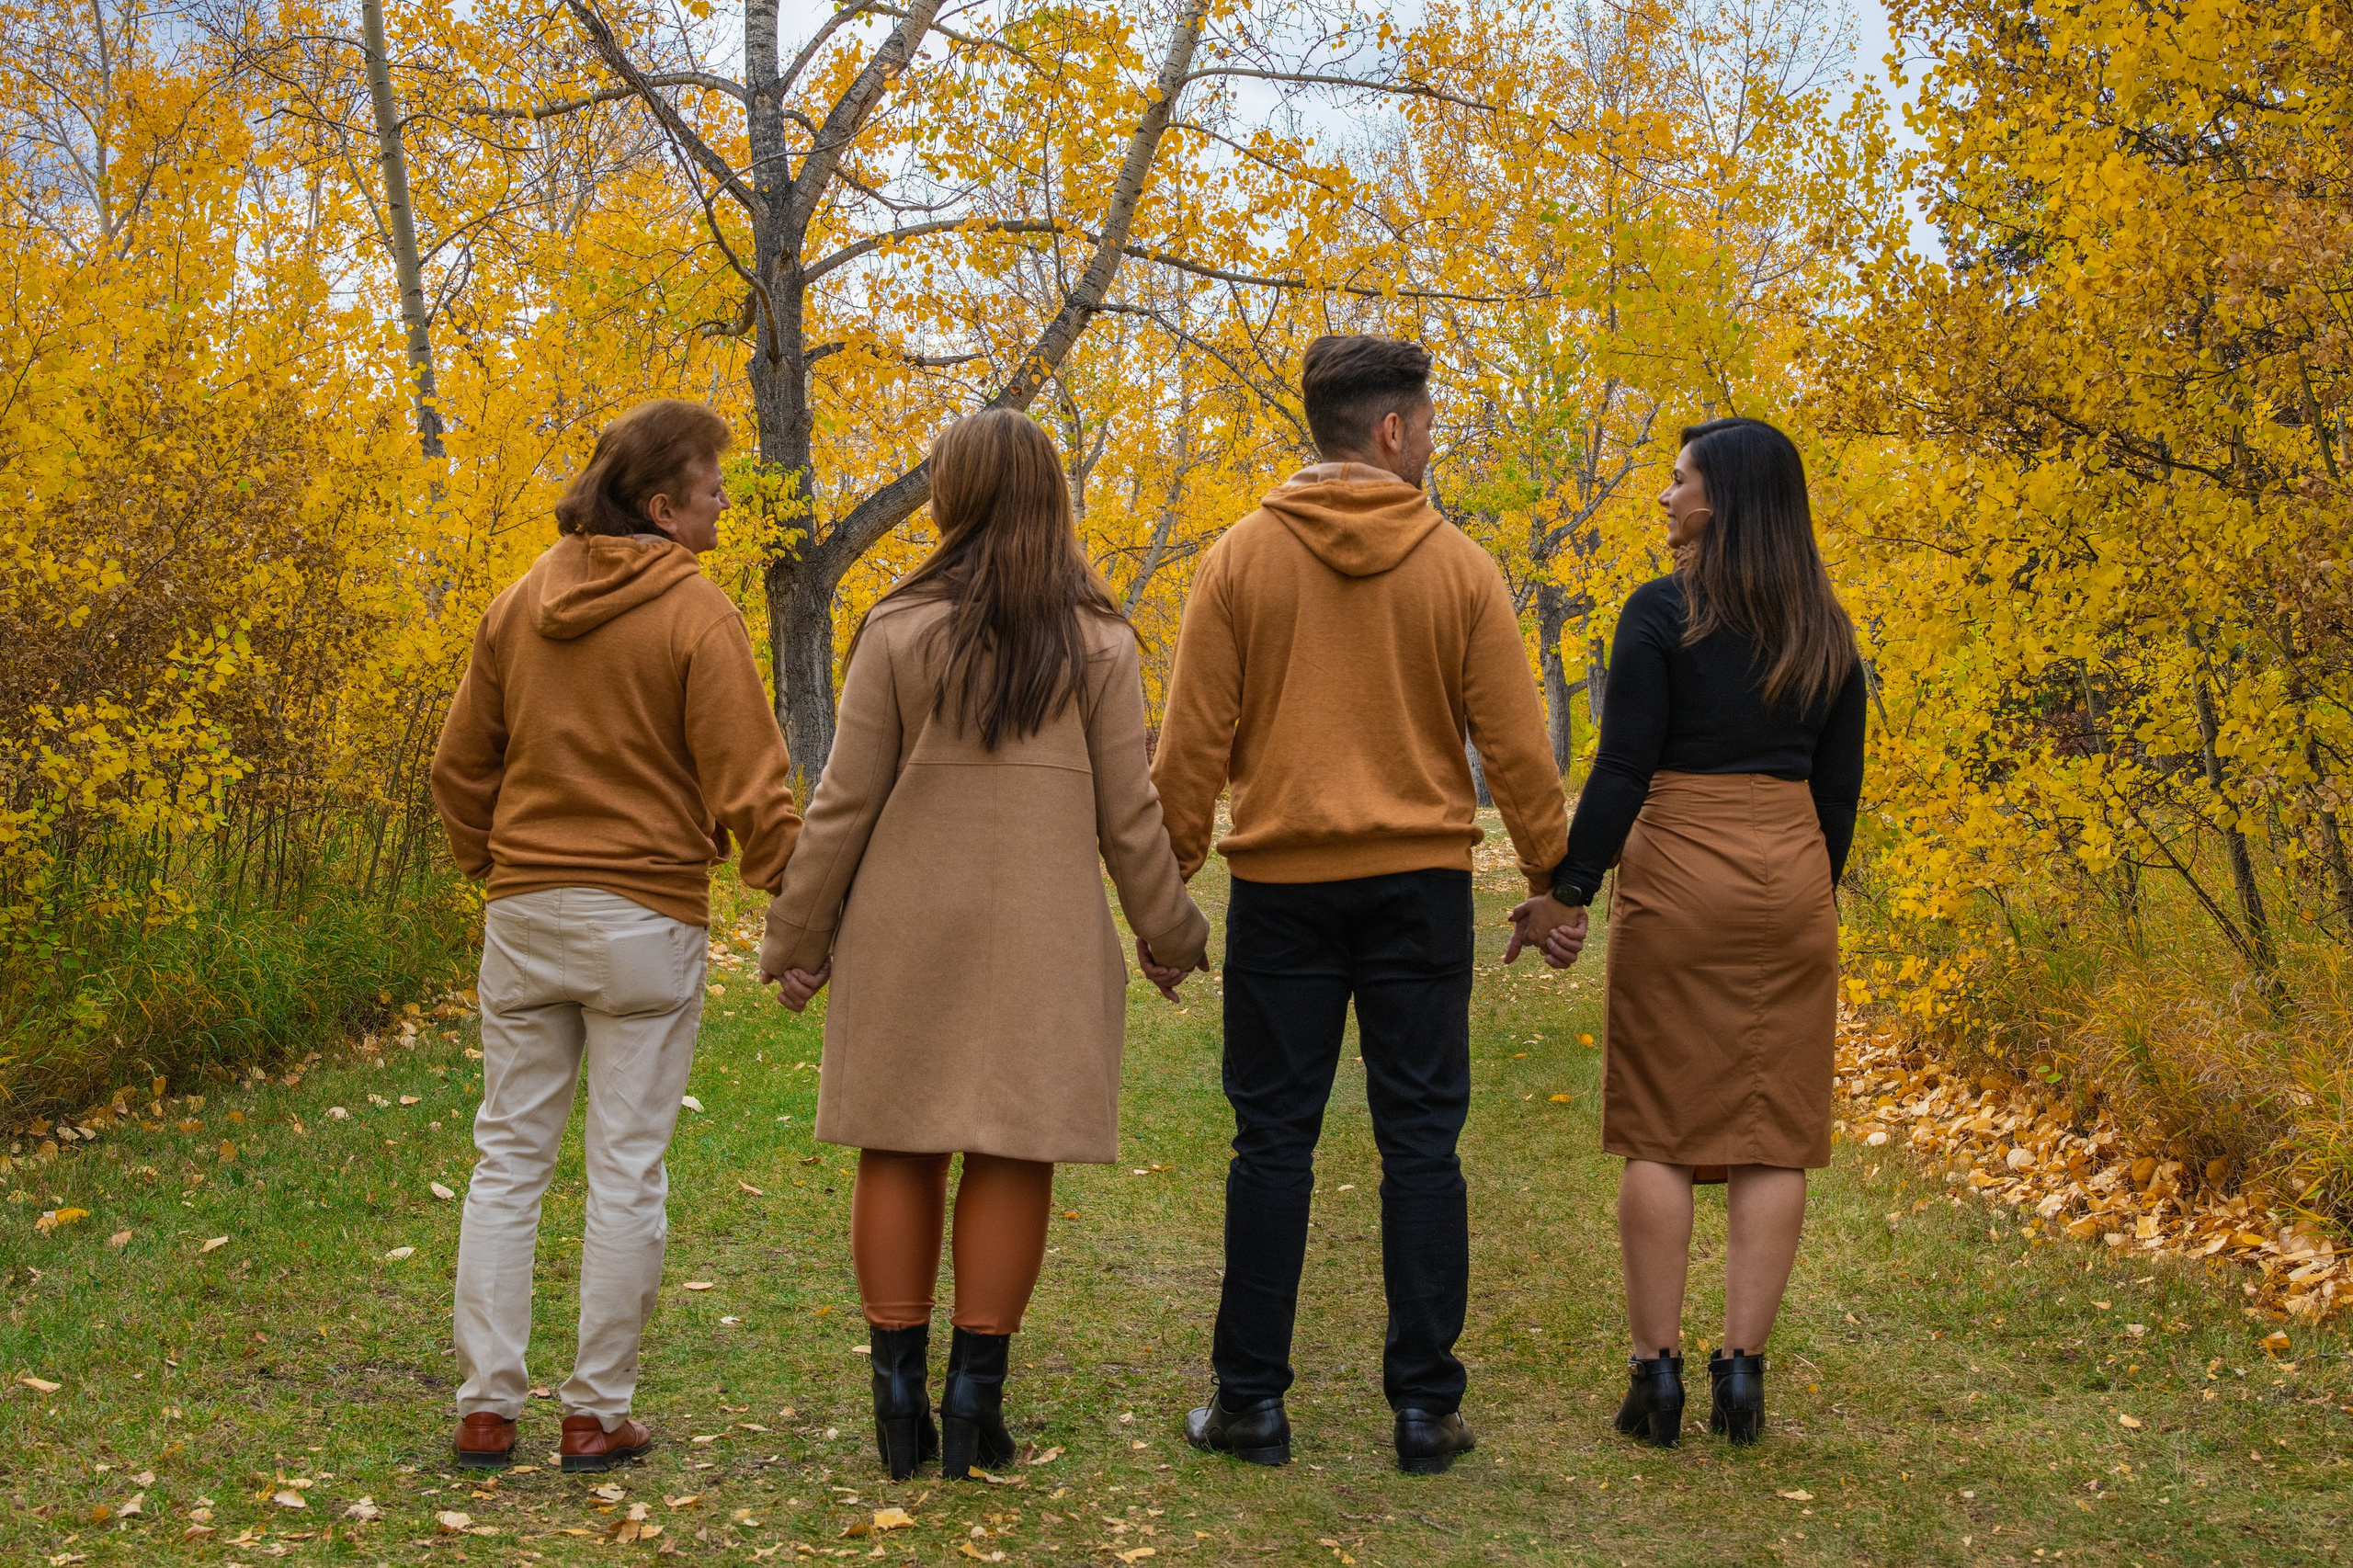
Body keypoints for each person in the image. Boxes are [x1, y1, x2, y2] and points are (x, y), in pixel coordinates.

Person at [1149, 334, 1579, 1475]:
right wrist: (1552, 880)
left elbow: (1189, 746)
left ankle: (1250, 1403)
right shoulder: (1461, 568)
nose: (1431, 443)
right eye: (1427, 425)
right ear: (1389, 431)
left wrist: (1164, 894)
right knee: (1422, 1144)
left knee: (1270, 1142)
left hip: (1282, 889)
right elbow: (1515, 746)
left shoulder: (1237, 559)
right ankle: (1425, 1410)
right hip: (1418, 889)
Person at [760, 408, 1209, 1483]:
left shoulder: (895, 629)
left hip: (906, 926)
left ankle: (896, 1400)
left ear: (949, 498)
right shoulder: (1099, 641)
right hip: (1044, 937)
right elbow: (1129, 817)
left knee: (898, 1139)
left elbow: (842, 804)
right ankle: (973, 1403)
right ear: (1052, 498)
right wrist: (1170, 932)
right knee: (1013, 1147)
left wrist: (799, 936)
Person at [430, 399, 803, 1473]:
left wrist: (492, 864)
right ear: (662, 508)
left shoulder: (517, 603)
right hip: (643, 914)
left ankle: (486, 1407)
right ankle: (594, 1411)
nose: (724, 503)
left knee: (508, 1158)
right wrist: (796, 901)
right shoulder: (697, 614)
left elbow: (459, 766)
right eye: (712, 489)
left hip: (525, 908)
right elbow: (752, 785)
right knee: (626, 1166)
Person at [1540, 416, 1865, 1448]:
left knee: (1662, 1128)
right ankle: (1743, 1375)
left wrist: (1570, 888)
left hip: (1680, 866)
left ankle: (1657, 1377)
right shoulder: (1827, 627)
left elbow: (1623, 765)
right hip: (1793, 871)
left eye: (1678, 480)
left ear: (1722, 498)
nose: (1665, 495)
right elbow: (1839, 793)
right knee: (1776, 1129)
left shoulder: (1660, 610)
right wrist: (1805, 882)